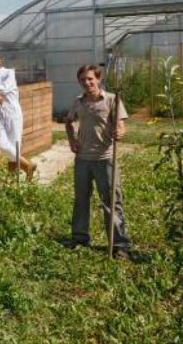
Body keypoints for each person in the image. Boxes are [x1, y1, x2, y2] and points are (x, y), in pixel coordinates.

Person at [63, 64, 131, 258]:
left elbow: (121, 125)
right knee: (81, 199)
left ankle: (119, 244)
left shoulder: (111, 99)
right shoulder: (78, 102)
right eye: (83, 80)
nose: (87, 83)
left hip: (105, 158)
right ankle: (79, 237)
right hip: (82, 159)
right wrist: (72, 140)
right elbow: (68, 121)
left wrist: (120, 131)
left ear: (98, 79)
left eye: (90, 79)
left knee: (111, 201)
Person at [0, 50, 37, 182]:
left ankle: (11, 179)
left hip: (12, 112)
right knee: (2, 144)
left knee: (15, 144)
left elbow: (4, 88)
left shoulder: (9, 72)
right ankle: (28, 165)